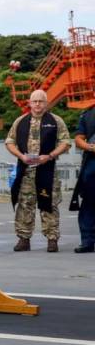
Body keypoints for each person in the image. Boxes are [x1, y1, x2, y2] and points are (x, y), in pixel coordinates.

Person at [5, 89, 71, 253]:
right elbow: (9, 142)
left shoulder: (56, 121)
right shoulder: (20, 121)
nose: (37, 104)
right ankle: (23, 239)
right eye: (34, 101)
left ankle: (52, 239)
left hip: (47, 170)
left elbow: (65, 142)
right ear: (29, 103)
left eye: (41, 101)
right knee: (25, 205)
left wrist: (50, 155)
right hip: (26, 172)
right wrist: (21, 156)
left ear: (46, 103)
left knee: (49, 204)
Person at [73, 104, 95, 253]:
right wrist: (90, 147)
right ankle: (87, 241)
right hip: (92, 163)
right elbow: (79, 138)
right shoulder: (88, 114)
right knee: (88, 202)